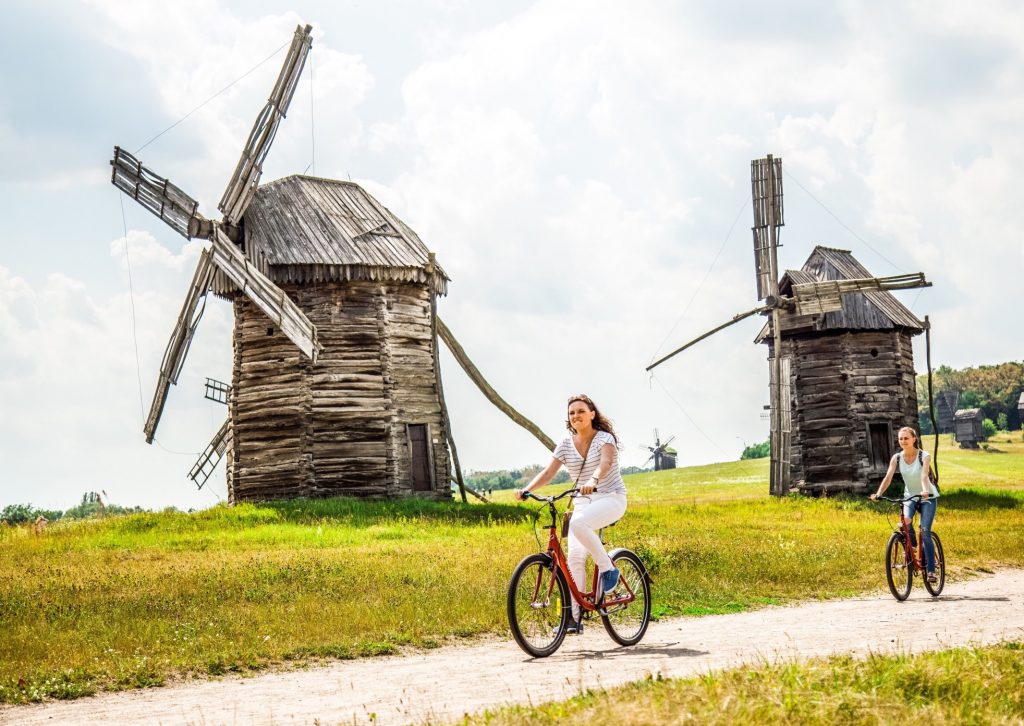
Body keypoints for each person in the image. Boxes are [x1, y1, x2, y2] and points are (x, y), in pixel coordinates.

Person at [516, 394, 627, 633]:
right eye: (571, 413)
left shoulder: (604, 439)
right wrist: (527, 489)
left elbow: (605, 463)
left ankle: (608, 569)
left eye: (580, 411)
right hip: (583, 502)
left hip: (610, 497)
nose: (576, 416)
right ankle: (573, 619)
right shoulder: (565, 445)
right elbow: (548, 473)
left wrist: (593, 480)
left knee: (578, 525)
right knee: (574, 558)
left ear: (592, 414)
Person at [870, 426, 939, 583]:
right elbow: (888, 477)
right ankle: (913, 546)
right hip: (910, 496)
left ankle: (931, 571)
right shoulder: (897, 458)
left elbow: (923, 475)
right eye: (900, 439)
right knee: (905, 522)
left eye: (906, 438)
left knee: (925, 530)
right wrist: (879, 494)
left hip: (927, 496)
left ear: (914, 439)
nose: (903, 441)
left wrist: (925, 490)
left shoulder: (924, 456)